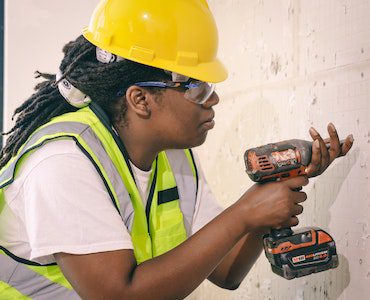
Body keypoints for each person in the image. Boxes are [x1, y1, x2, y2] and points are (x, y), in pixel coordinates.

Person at [0, 0, 353, 299]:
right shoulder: (62, 162)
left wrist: (267, 201)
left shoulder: (172, 155)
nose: (213, 98)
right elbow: (119, 295)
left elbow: (226, 270)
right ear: (140, 99)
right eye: (195, 86)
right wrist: (245, 213)